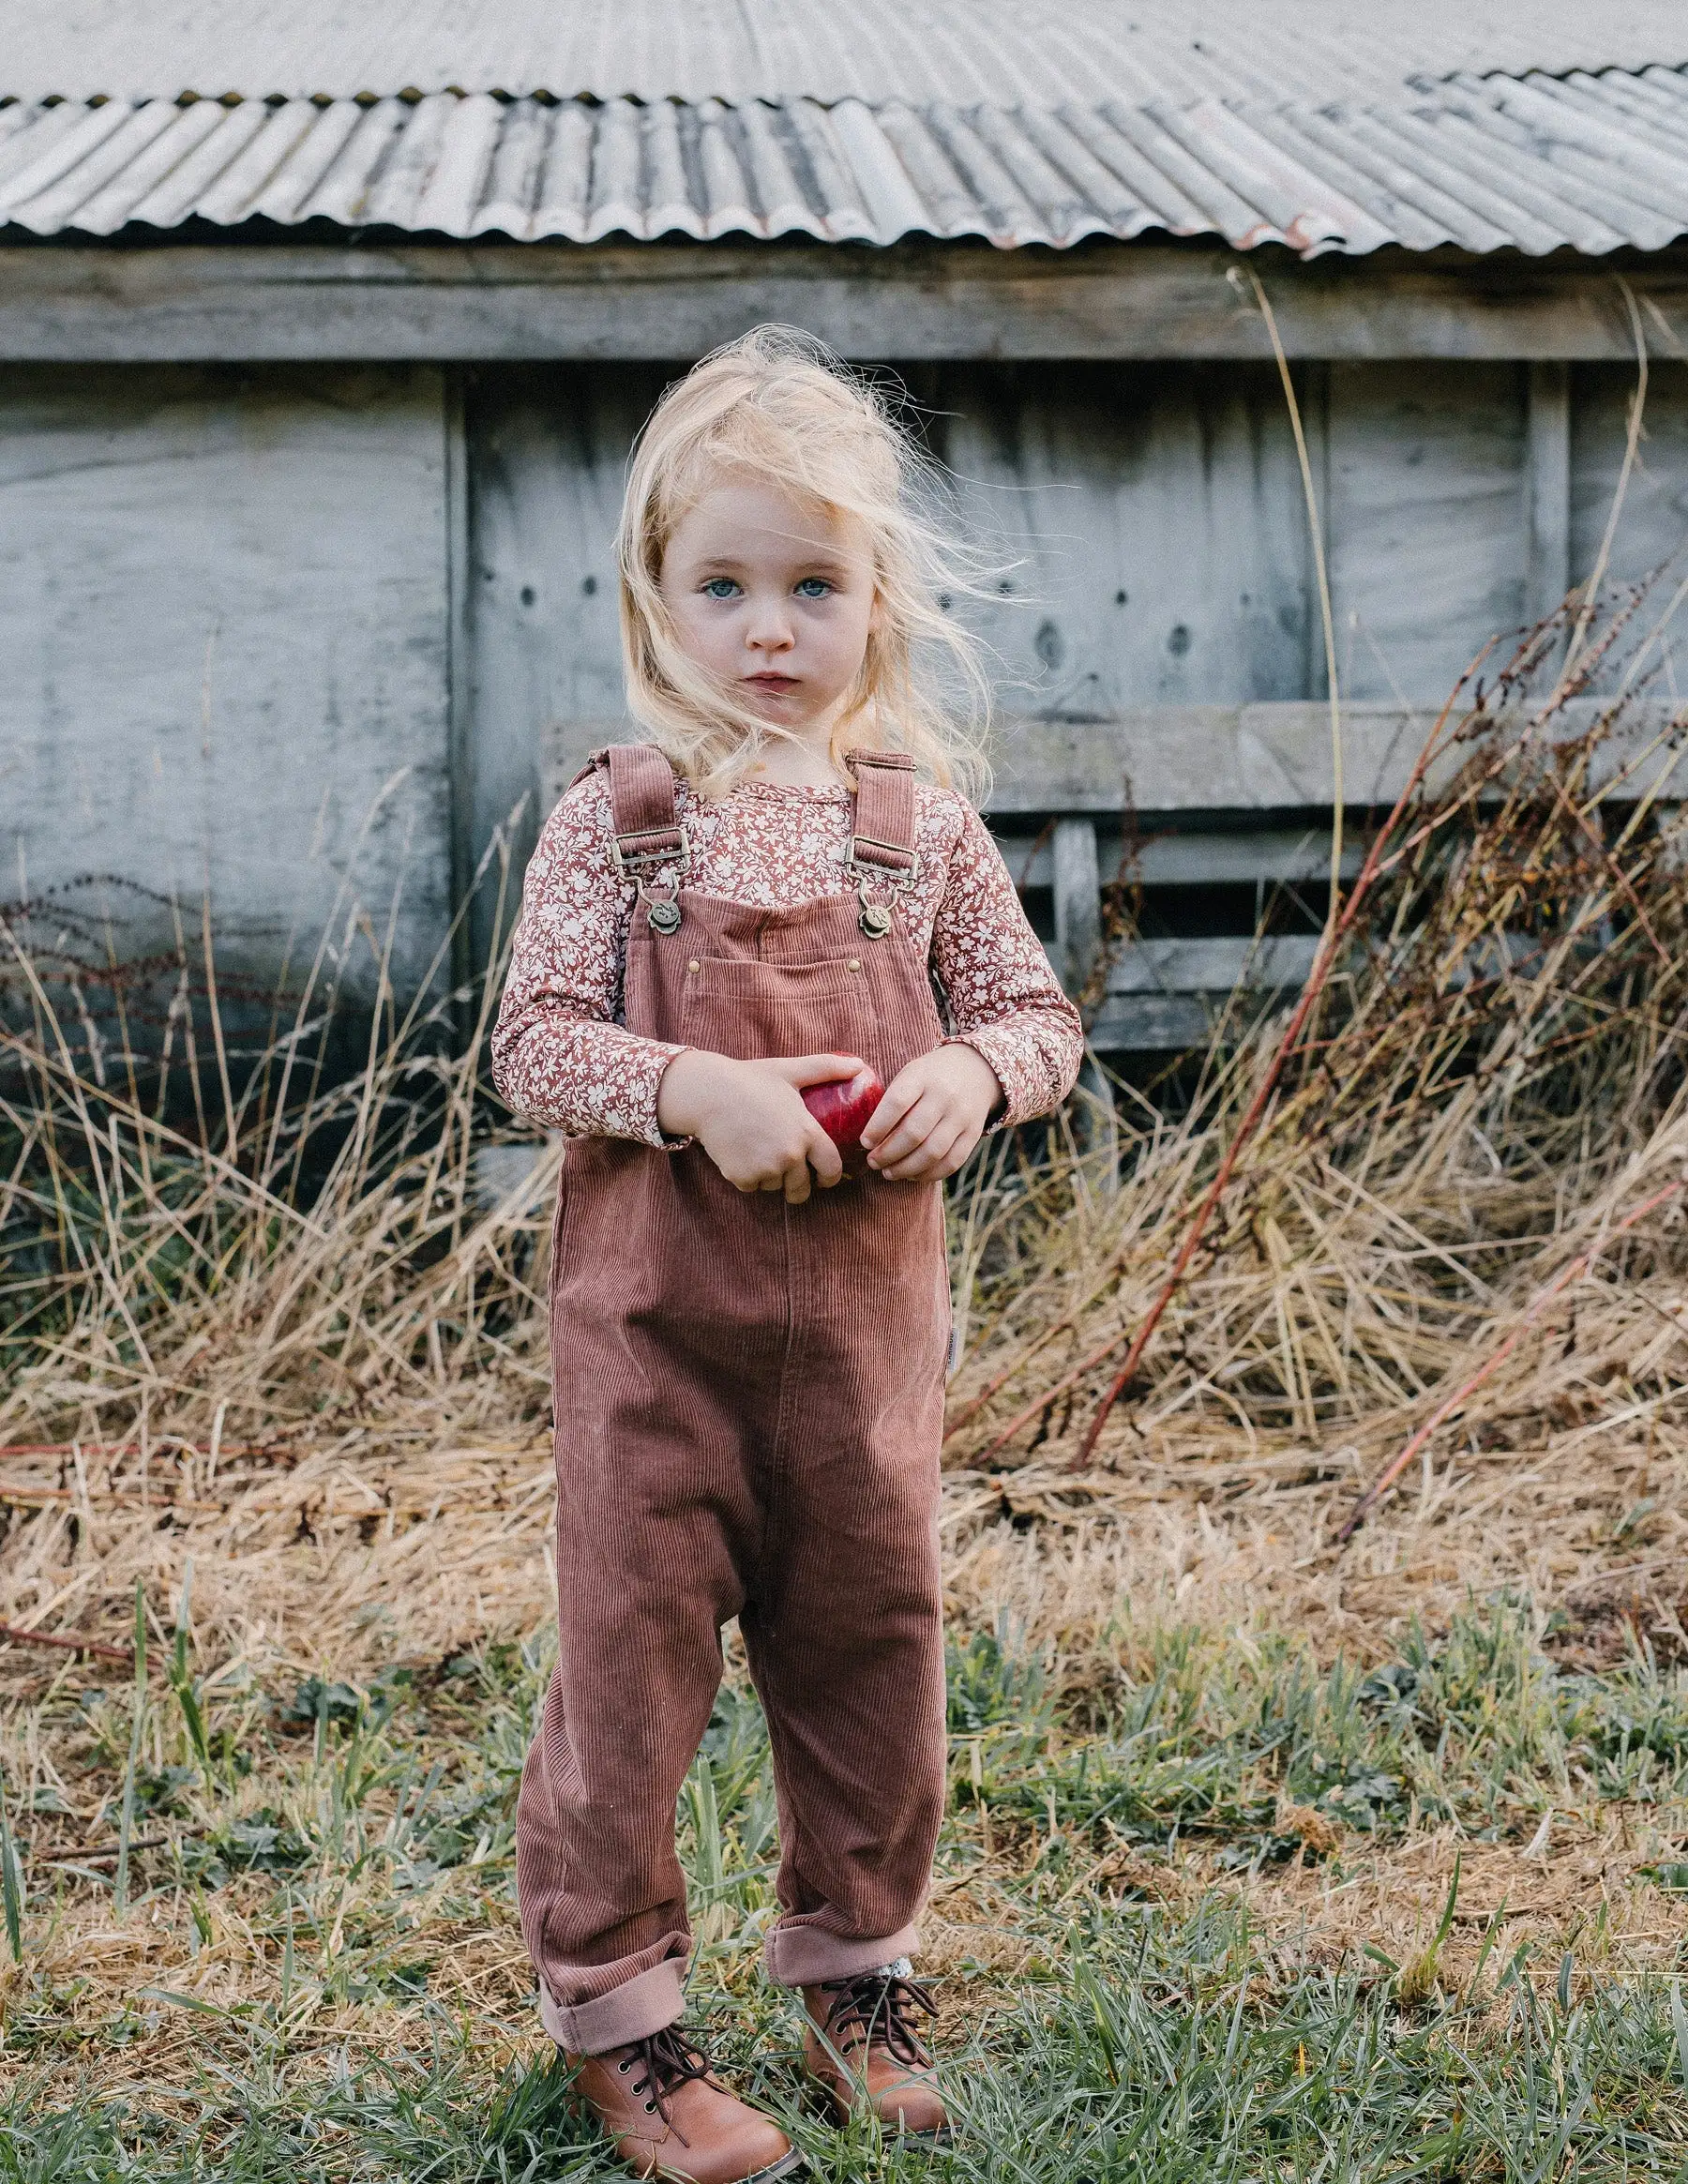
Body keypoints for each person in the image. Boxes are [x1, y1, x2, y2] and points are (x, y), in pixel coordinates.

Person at [491, 325, 1083, 2184]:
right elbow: (529, 1048)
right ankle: (626, 2019)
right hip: (658, 1362)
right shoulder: (616, 822)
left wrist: (977, 1079)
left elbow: (1045, 1022)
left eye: (813, 584)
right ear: (654, 597)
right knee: (630, 1681)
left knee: (870, 1664)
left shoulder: (926, 835)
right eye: (725, 581)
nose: (769, 625)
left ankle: (855, 1973)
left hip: (854, 1374)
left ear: (876, 599)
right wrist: (689, 1090)